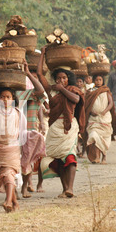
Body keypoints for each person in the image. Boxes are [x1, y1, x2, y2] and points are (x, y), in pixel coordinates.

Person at [37, 46, 85, 198]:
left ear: (68, 79)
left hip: (69, 127)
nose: (61, 80)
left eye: (64, 78)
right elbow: (39, 74)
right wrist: (43, 53)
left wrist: (62, 89)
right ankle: (65, 189)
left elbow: (76, 100)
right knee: (56, 159)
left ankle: (70, 188)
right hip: (54, 128)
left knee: (70, 156)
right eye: (58, 78)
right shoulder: (51, 90)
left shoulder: (73, 89)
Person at [16, 66, 46, 198]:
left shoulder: (33, 95)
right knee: (14, 162)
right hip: (13, 133)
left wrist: (28, 73)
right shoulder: (13, 95)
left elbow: (41, 91)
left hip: (29, 132)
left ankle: (24, 187)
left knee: (27, 160)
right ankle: (14, 189)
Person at [84, 75, 116, 164]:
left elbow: (110, 103)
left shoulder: (106, 90)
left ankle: (104, 158)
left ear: (103, 81)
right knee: (93, 135)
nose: (98, 81)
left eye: (100, 79)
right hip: (93, 119)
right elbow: (86, 105)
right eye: (96, 80)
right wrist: (91, 112)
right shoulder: (90, 91)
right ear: (94, 81)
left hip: (105, 119)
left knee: (104, 139)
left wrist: (104, 111)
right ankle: (97, 157)